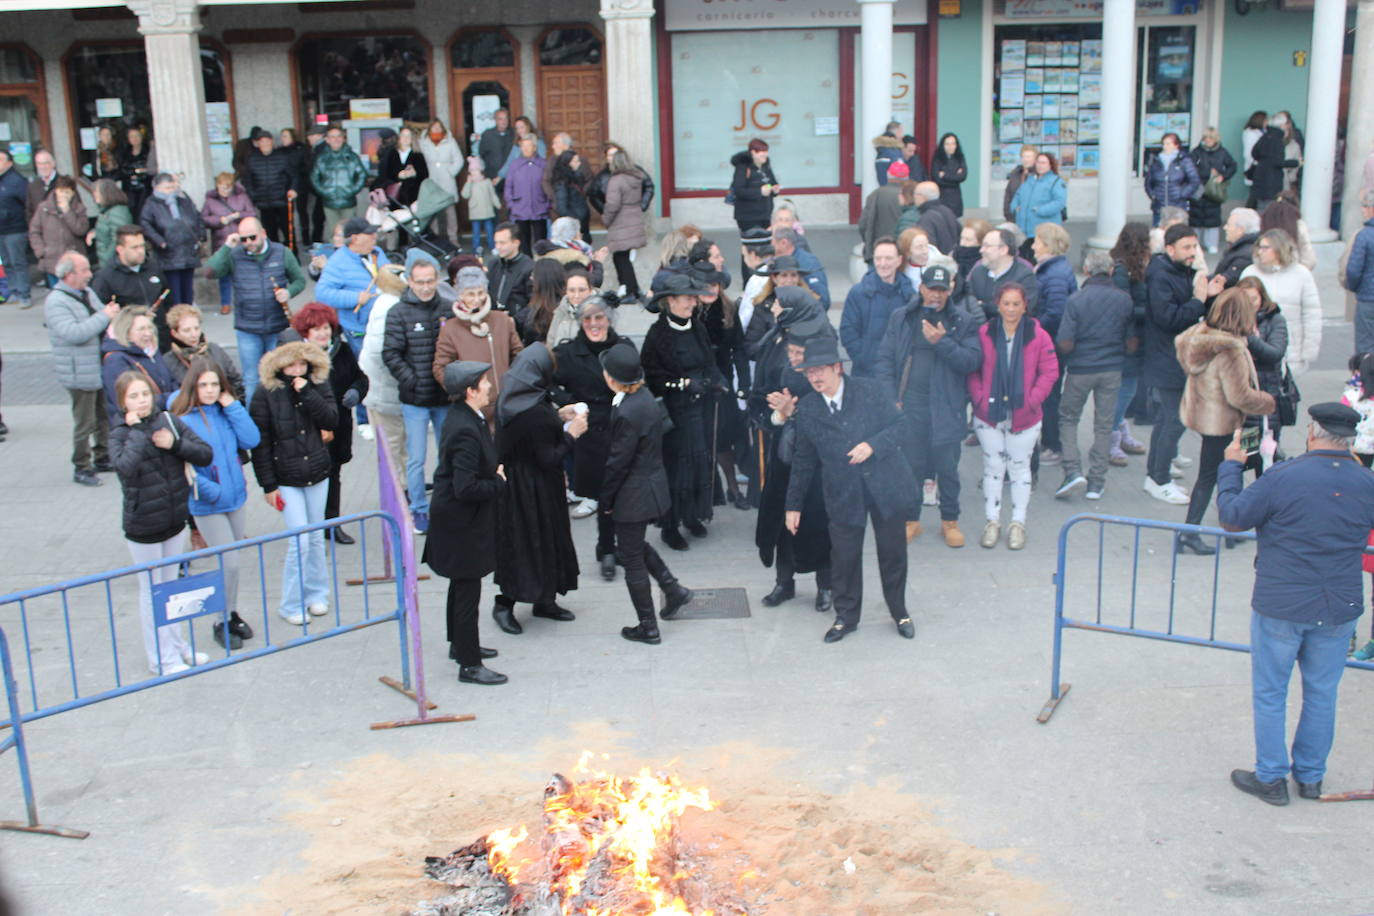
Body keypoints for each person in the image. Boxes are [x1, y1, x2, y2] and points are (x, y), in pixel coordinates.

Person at [1217, 402, 1374, 806]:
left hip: (1282, 602)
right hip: (1339, 603)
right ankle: (1310, 777)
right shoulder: (1365, 481)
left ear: (1312, 431)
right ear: (1351, 439)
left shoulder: (1284, 476)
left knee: (1272, 691)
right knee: (1323, 692)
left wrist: (1231, 466)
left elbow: (1233, 516)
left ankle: (1271, 777)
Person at [785, 335, 917, 643]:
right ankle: (846, 617)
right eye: (809, 372)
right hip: (843, 491)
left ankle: (900, 611)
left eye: (819, 370)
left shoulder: (870, 391)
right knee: (844, 556)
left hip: (885, 484)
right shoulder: (807, 409)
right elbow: (803, 461)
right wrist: (793, 506)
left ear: (837, 368)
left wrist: (873, 445)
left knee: (892, 553)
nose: (814, 377)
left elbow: (902, 427)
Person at [109, 370, 214, 675]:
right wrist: (140, 432)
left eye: (144, 394)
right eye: (133, 397)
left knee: (171, 589)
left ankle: (178, 646)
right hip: (144, 526)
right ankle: (161, 658)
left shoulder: (168, 420)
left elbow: (204, 453)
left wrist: (175, 444)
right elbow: (125, 469)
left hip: (174, 518)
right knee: (151, 590)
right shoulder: (120, 433)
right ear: (122, 402)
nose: (141, 401)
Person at [875, 264, 982, 547]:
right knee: (911, 467)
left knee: (947, 468)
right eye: (931, 289)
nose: (936, 295)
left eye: (942, 290)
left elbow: (971, 361)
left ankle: (950, 521)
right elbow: (885, 360)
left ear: (950, 290)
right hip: (910, 405)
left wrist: (942, 342)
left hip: (946, 407)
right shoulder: (903, 317)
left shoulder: (963, 321)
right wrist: (889, 399)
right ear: (921, 288)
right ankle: (911, 520)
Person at [597, 341, 696, 643]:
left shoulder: (627, 411)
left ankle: (648, 626)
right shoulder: (644, 399)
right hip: (650, 486)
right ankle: (673, 590)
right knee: (635, 544)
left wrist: (607, 501)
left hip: (633, 494)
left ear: (612, 379)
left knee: (631, 558)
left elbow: (617, 464)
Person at [490, 343, 585, 634]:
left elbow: (533, 435)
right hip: (533, 488)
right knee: (530, 543)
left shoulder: (516, 397)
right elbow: (548, 456)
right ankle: (505, 605)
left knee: (531, 542)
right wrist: (572, 434)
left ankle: (544, 600)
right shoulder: (532, 410)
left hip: (521, 485)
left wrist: (558, 416)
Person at [423, 361, 508, 684]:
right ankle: (469, 664)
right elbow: (466, 487)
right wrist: (499, 482)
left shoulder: (465, 417)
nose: (489, 386)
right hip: (462, 526)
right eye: (484, 382)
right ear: (470, 391)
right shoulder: (464, 429)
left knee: (461, 587)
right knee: (467, 590)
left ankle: (460, 646)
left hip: (458, 522)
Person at [751, 290, 835, 610]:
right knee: (782, 521)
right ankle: (783, 583)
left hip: (818, 463)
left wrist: (797, 412)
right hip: (784, 456)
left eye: (778, 303)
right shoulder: (778, 354)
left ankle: (825, 586)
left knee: (818, 522)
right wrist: (779, 415)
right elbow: (762, 401)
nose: (795, 356)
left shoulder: (824, 357)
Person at [170, 356, 260, 650]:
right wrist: (214, 493)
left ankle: (231, 612)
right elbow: (187, 470)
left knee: (232, 564)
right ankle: (219, 620)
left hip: (235, 498)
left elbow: (251, 439)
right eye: (203, 385)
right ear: (193, 386)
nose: (209, 390)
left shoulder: (224, 412)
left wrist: (232, 406)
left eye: (214, 385)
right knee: (228, 563)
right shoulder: (183, 420)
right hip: (209, 504)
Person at [249, 340, 337, 624]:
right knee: (299, 539)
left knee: (314, 537)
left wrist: (308, 393)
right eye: (291, 364)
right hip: (285, 476)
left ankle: (317, 594)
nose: (297, 369)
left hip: (317, 472)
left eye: (302, 363)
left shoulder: (316, 385)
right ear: (279, 365)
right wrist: (268, 486)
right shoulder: (264, 394)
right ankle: (290, 603)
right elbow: (259, 444)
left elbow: (331, 418)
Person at [967, 283, 1059, 548]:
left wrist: (1032, 400)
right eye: (1006, 303)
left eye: (1016, 304)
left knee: (1020, 468)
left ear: (1025, 306)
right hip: (990, 414)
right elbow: (973, 370)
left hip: (1025, 415)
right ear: (998, 305)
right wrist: (980, 399)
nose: (1010, 309)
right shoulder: (985, 333)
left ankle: (1018, 523)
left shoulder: (1038, 336)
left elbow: (1050, 371)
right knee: (993, 468)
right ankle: (992, 521)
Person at [641, 273, 727, 549]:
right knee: (676, 468)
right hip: (673, 413)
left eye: (694, 297)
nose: (693, 302)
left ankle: (692, 515)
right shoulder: (657, 335)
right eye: (688, 298)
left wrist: (718, 381)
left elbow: (710, 362)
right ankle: (670, 525)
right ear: (671, 301)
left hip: (700, 408)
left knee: (699, 462)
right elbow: (652, 377)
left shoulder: (698, 327)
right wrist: (682, 384)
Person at [1144, 224, 1220, 505]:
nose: (1192, 253)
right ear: (1170, 248)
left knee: (1167, 419)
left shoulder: (1178, 271)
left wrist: (1207, 295)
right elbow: (1170, 319)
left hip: (1175, 359)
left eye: (1195, 247)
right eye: (1187, 248)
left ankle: (1155, 475)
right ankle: (1159, 479)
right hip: (1168, 360)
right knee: (1174, 421)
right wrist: (1199, 300)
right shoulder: (1161, 275)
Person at [1053, 250, 1136, 502]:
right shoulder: (1124, 300)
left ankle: (1072, 471)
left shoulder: (1076, 300)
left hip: (1080, 369)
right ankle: (1096, 482)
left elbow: (1064, 341)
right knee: (1103, 424)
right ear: (1111, 271)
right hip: (1111, 369)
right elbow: (1131, 341)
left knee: (1068, 418)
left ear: (1086, 271)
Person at [553, 297, 623, 576]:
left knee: (622, 493)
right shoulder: (567, 354)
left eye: (599, 318)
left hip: (620, 428)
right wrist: (569, 404)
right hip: (591, 434)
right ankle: (607, 548)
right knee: (603, 494)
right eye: (587, 319)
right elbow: (549, 384)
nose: (594, 324)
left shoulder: (622, 347)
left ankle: (620, 545)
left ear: (608, 319)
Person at [205, 215, 306, 399]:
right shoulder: (234, 255)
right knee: (251, 379)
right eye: (244, 239)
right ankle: (255, 425)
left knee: (279, 376)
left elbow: (299, 280)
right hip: (248, 328)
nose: (249, 243)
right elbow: (210, 272)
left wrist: (288, 292)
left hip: (277, 327)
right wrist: (228, 246)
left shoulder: (281, 252)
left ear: (263, 233)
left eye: (253, 237)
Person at [383, 258, 449, 535]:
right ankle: (419, 508)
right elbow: (391, 354)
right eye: (419, 282)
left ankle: (447, 506)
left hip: (445, 397)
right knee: (416, 459)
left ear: (437, 280)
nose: (425, 287)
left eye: (430, 281)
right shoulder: (398, 312)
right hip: (415, 400)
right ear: (410, 281)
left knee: (448, 454)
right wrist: (412, 380)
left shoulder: (448, 308)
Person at [292, 303, 367, 543]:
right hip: (309, 430)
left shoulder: (341, 350)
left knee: (334, 474)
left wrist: (356, 391)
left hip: (339, 426)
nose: (323, 334)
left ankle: (331, 523)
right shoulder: (297, 358)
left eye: (326, 328)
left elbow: (360, 378)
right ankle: (308, 526)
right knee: (310, 477)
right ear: (306, 333)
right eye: (316, 330)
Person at [45, 252, 120, 486]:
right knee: (84, 423)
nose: (89, 275)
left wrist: (108, 315)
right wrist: (105, 315)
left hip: (96, 367)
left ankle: (102, 455)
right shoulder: (56, 301)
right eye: (84, 270)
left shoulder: (85, 293)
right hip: (78, 372)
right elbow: (74, 333)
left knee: (103, 416)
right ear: (69, 275)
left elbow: (100, 316)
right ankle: (81, 466)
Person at [315, 217, 390, 432]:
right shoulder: (338, 262)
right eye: (370, 234)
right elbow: (323, 293)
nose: (375, 237)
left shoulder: (377, 253)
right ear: (355, 238)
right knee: (364, 371)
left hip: (384, 322)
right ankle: (365, 419)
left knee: (386, 369)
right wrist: (355, 298)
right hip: (359, 327)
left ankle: (386, 414)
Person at [433, 266, 525, 426]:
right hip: (473, 407)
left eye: (481, 292)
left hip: (505, 403)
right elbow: (441, 368)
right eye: (470, 294)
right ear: (460, 295)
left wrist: (514, 385)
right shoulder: (451, 328)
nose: (477, 299)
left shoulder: (502, 320)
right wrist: (464, 394)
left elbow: (518, 356)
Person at [1240, 229, 1321, 375]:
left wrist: (1309, 349)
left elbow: (1312, 313)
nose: (1260, 251)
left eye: (1265, 247)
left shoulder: (1301, 274)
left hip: (1292, 347)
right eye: (1259, 247)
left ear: (1279, 249)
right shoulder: (1250, 272)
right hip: (1257, 347)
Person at [1029, 223, 1077, 464]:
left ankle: (1052, 444)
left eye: (1037, 241)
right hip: (1053, 342)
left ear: (1047, 245)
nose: (1033, 245)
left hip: (1051, 344)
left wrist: (1033, 328)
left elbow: (1056, 312)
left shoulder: (1055, 274)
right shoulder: (1053, 269)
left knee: (1049, 395)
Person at [1236, 275, 1290, 479]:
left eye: (1254, 299)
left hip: (1269, 399)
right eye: (1244, 300)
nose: (1250, 305)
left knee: (1267, 454)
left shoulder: (1275, 319)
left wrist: (1248, 337)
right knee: (1246, 455)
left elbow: (1275, 353)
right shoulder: (1232, 321)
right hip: (1246, 403)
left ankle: (1266, 499)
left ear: (1262, 298)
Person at [1108, 222, 1152, 466]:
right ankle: (1111, 437)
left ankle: (1120, 429)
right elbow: (1123, 307)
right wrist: (1152, 310)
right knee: (1125, 390)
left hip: (1136, 339)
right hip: (1128, 341)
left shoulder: (1135, 268)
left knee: (1128, 390)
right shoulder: (1122, 271)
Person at [358, 263, 409, 467]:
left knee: (396, 443)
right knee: (392, 446)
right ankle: (398, 493)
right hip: (383, 390)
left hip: (381, 388)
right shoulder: (390, 307)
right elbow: (383, 354)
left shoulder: (384, 303)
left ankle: (404, 487)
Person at [840, 237, 914, 378]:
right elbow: (848, 331)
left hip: (900, 375)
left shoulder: (909, 296)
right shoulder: (858, 293)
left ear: (899, 261)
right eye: (878, 258)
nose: (882, 264)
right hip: (866, 373)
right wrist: (863, 358)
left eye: (888, 258)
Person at [100, 306, 177, 425]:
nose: (148, 333)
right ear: (127, 332)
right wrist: (172, 398)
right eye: (141, 329)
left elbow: (170, 379)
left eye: (150, 328)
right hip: (135, 427)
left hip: (161, 419)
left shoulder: (152, 351)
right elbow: (127, 402)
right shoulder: (116, 360)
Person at [139, 173, 201, 306]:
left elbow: (196, 217)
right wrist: (160, 241)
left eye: (172, 187)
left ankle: (188, 310)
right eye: (167, 188)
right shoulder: (151, 204)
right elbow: (145, 224)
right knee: (174, 288)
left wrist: (199, 236)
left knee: (187, 288)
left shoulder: (182, 200)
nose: (171, 191)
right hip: (168, 251)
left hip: (187, 248)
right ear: (157, 188)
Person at [200, 172, 258, 313]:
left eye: (228, 187)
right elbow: (204, 219)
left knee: (243, 273)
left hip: (242, 240)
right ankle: (226, 303)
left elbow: (252, 213)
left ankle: (246, 301)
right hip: (221, 241)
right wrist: (219, 221)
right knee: (224, 274)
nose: (225, 191)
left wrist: (239, 215)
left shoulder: (241, 196)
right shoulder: (210, 200)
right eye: (222, 187)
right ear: (217, 186)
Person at [162, 303, 245, 399]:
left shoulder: (215, 350)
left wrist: (230, 401)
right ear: (175, 333)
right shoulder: (168, 361)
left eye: (196, 328)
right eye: (187, 330)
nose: (194, 334)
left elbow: (235, 381)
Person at [603, 149, 650, 306]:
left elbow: (613, 204)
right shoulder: (635, 177)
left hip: (620, 221)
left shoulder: (616, 180)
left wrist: (606, 219)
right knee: (622, 257)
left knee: (621, 258)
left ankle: (631, 291)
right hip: (634, 218)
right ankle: (634, 289)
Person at [965, 227, 1039, 322]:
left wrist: (983, 306)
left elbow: (1024, 309)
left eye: (987, 246)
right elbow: (968, 305)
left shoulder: (1024, 276)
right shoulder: (977, 273)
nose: (981, 250)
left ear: (1003, 250)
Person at [28, 176, 87, 288]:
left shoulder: (79, 208)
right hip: (51, 259)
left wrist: (67, 212)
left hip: (73, 261)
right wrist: (41, 251)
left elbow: (80, 230)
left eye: (67, 192)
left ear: (73, 193)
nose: (63, 195)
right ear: (55, 191)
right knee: (56, 292)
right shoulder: (44, 207)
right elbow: (34, 231)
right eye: (61, 191)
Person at [242, 127, 297, 245]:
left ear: (272, 142)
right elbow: (247, 181)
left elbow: (294, 176)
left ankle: (292, 257)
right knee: (270, 234)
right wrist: (254, 196)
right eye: (262, 141)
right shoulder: (252, 159)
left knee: (288, 232)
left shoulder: (283, 157)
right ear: (258, 143)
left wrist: (293, 189)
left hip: (282, 201)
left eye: (267, 141)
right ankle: (274, 258)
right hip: (264, 204)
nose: (265, 144)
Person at [1190, 128, 1238, 252]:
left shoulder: (1222, 152)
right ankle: (1196, 243)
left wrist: (1223, 176)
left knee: (1213, 216)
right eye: (1206, 138)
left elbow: (1232, 166)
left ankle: (1211, 243)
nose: (1208, 140)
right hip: (1199, 187)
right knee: (1196, 216)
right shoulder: (1196, 152)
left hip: (1214, 188)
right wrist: (1207, 173)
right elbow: (1190, 168)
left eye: (1210, 138)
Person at [311, 126, 369, 226]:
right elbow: (314, 177)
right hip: (329, 202)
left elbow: (362, 175)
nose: (336, 139)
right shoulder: (321, 158)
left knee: (349, 232)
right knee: (334, 234)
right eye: (332, 137)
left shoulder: (352, 157)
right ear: (327, 140)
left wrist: (352, 190)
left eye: (339, 136)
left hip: (348, 202)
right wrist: (324, 192)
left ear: (343, 138)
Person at [419, 120, 464, 247]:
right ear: (429, 129)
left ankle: (453, 238)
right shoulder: (424, 142)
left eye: (439, 127)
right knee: (432, 211)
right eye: (434, 127)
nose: (437, 129)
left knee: (450, 211)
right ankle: (434, 238)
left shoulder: (450, 141)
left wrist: (451, 172)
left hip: (447, 179)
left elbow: (458, 159)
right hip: (432, 179)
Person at [503, 134, 549, 255]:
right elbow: (508, 187)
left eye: (528, 146)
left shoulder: (543, 164)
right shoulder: (515, 165)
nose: (526, 149)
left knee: (541, 244)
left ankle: (542, 268)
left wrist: (547, 204)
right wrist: (511, 205)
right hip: (520, 209)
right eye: (523, 146)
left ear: (534, 147)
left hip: (540, 208)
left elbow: (550, 186)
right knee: (523, 244)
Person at [1144, 133, 1201, 227]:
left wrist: (1182, 194)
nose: (1165, 146)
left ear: (1176, 145)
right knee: (1159, 234)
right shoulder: (1156, 161)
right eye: (1164, 144)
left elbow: (1194, 180)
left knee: (1177, 233)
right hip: (1159, 205)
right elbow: (1148, 182)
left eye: (1168, 144)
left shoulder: (1184, 160)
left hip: (1177, 206)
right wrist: (1153, 195)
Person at [0, 149, 33, 307]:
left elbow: (26, 204)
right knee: (7, 262)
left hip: (15, 229)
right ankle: (13, 291)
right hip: (1, 230)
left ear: (9, 163)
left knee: (18, 262)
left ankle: (24, 294)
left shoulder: (17, 180)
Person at [1010, 152, 1067, 241]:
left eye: (1043, 163)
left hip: (1044, 231)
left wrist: (1038, 210)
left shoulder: (1056, 181)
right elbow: (1018, 195)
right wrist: (1015, 207)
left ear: (1050, 165)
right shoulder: (1030, 179)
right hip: (1024, 230)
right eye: (1038, 162)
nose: (1040, 165)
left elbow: (1059, 202)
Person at [896, 181, 960, 256]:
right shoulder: (948, 211)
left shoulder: (926, 218)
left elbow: (929, 245)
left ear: (922, 196)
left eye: (915, 194)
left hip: (936, 261)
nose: (914, 197)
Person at [1247, 119, 1299, 212]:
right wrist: (1296, 163)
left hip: (1260, 176)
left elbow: (1254, 153)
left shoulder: (1264, 137)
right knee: (1269, 209)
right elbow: (1278, 162)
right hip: (1271, 180)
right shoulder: (1277, 140)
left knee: (1261, 206)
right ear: (1282, 126)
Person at [545, 136, 592, 237]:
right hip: (573, 221)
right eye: (575, 162)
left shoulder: (578, 173)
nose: (553, 147)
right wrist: (575, 220)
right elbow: (561, 206)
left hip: (582, 217)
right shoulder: (562, 181)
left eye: (556, 143)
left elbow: (588, 181)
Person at [730, 138, 779, 233]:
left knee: (766, 243)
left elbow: (771, 183)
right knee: (752, 243)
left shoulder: (766, 165)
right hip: (748, 216)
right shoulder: (743, 166)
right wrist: (759, 192)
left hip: (766, 214)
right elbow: (739, 190)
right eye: (762, 151)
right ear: (753, 152)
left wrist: (773, 189)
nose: (766, 154)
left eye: (766, 151)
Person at [771, 228, 829, 308]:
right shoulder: (781, 260)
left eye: (773, 242)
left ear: (784, 242)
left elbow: (822, 301)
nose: (771, 246)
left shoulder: (808, 263)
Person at [858, 167, 905, 263]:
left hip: (875, 250)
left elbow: (863, 224)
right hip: (900, 252)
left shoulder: (875, 195)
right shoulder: (908, 196)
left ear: (888, 176)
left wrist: (867, 241)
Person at [486, 221, 534, 314]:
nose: (498, 247)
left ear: (516, 243)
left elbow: (533, 302)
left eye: (502, 243)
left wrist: (516, 320)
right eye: (496, 243)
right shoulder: (493, 264)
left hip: (517, 321)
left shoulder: (529, 267)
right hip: (494, 319)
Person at [1347, 190, 1374, 355]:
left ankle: (1366, 377)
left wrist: (1355, 287)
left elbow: (1353, 270)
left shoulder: (1364, 236)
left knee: (1365, 346)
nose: (1363, 210)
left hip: (1368, 297)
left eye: (1365, 206)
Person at [376, 125, 428, 208]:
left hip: (413, 197)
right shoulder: (391, 154)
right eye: (403, 135)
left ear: (412, 139)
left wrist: (415, 174)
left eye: (408, 136)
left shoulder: (418, 155)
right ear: (399, 138)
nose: (405, 138)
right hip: (394, 197)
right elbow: (383, 174)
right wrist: (398, 176)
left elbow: (425, 175)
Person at [88, 179, 133, 270]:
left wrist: (106, 260)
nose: (94, 195)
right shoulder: (106, 211)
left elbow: (118, 238)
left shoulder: (117, 211)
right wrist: (95, 232)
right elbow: (107, 228)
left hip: (114, 263)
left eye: (97, 192)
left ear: (106, 193)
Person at [278, 128, 311, 248]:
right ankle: (290, 238)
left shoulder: (301, 149)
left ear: (293, 137)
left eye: (286, 136)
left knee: (302, 212)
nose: (283, 139)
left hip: (301, 185)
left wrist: (296, 173)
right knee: (287, 213)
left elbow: (307, 166)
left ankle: (306, 238)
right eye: (282, 136)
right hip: (285, 186)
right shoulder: (280, 151)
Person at [1214, 207, 1261, 288]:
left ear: (1240, 230)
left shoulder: (1245, 255)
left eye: (1228, 225)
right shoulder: (1240, 248)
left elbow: (1226, 281)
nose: (1225, 227)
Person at [461, 158, 500, 255]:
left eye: (475, 171)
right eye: (472, 172)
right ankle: (476, 247)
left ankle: (493, 246)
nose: (473, 174)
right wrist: (468, 182)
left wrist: (497, 203)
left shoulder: (487, 182)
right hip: (475, 212)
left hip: (487, 211)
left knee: (490, 230)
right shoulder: (470, 184)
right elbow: (465, 195)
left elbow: (492, 195)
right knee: (476, 232)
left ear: (481, 172)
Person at [118, 126, 156, 218]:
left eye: (137, 136)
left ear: (142, 137)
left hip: (145, 187)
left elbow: (150, 169)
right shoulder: (124, 152)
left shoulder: (148, 151)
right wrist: (135, 171)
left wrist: (138, 172)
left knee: (143, 211)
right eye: (132, 136)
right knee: (131, 211)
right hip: (129, 188)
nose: (135, 139)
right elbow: (122, 170)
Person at [496, 116, 546, 180]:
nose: (519, 130)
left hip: (535, 179)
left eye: (521, 127)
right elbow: (509, 162)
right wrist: (500, 176)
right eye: (517, 128)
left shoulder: (538, 142)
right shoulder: (516, 145)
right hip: (519, 179)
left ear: (528, 127)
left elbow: (541, 162)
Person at [930, 132, 968, 217]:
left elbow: (963, 176)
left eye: (953, 144)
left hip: (956, 197)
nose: (950, 147)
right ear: (943, 145)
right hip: (942, 196)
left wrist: (945, 175)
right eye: (947, 144)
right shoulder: (937, 158)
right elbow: (936, 178)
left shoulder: (960, 157)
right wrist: (955, 176)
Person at [477, 108, 514, 192]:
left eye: (506, 118)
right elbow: (482, 153)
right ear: (495, 120)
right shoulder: (487, 134)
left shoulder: (514, 133)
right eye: (500, 119)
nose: (503, 121)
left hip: (512, 176)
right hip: (493, 176)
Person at [1002, 145, 1038, 222]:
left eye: (1029, 157)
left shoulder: (1039, 175)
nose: (1026, 159)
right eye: (1024, 157)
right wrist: (1008, 213)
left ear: (1035, 159)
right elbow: (1008, 194)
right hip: (1014, 217)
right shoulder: (1015, 174)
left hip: (1032, 219)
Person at [25, 149, 61, 224]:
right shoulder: (33, 185)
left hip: (61, 231)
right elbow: (29, 210)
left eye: (45, 163)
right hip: (41, 231)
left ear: (53, 163)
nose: (42, 167)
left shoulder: (63, 183)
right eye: (39, 164)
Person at [1241, 111, 1267, 195]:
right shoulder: (1251, 133)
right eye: (1266, 120)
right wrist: (1257, 164)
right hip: (1254, 167)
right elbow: (1248, 153)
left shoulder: (1262, 132)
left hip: (1260, 168)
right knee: (1254, 196)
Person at [872, 121, 905, 186]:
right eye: (901, 131)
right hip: (893, 188)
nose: (902, 135)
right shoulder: (891, 151)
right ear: (897, 130)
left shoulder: (885, 149)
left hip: (889, 187)